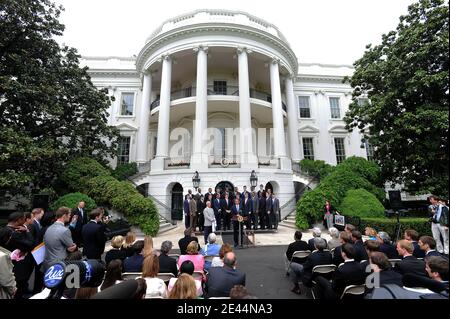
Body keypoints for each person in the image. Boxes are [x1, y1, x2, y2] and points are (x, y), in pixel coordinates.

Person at [42, 207, 77, 272]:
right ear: (64, 216)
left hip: (47, 263)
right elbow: (71, 247)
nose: (70, 217)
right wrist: (74, 246)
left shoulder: (49, 228)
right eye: (69, 215)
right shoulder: (65, 230)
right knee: (78, 254)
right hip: (59, 264)